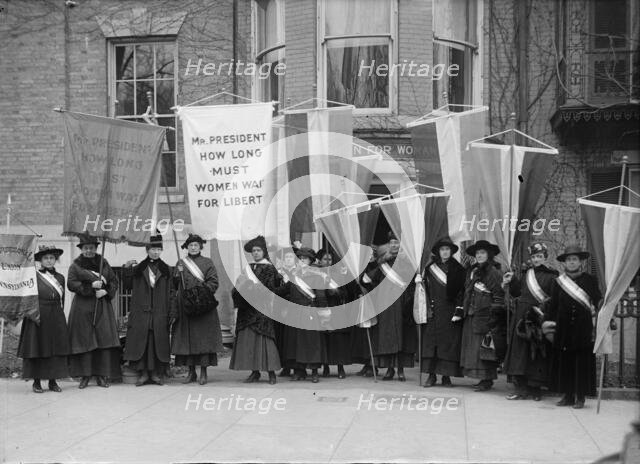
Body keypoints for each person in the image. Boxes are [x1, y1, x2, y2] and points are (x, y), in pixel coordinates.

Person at [546, 244, 601, 409]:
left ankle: (580, 397)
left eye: (574, 259)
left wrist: (605, 312)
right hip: (563, 327)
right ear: (564, 263)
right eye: (568, 260)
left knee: (581, 363)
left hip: (582, 328)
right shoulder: (559, 282)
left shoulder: (590, 280)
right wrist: (548, 323)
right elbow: (553, 305)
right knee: (565, 362)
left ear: (580, 262)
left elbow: (598, 300)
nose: (571, 262)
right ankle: (567, 395)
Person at [503, 242, 558, 401]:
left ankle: (536, 390)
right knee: (519, 353)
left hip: (539, 317)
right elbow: (517, 293)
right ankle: (520, 389)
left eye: (539, 256)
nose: (536, 260)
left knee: (537, 353)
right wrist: (511, 281)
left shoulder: (553, 276)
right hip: (521, 317)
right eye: (534, 257)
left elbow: (554, 300)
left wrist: (544, 313)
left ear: (545, 257)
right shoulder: (527, 274)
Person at [67, 232, 121, 389]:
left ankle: (101, 375)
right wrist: (90, 287)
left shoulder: (103, 263)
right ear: (81, 249)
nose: (88, 251)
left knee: (102, 341)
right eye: (85, 248)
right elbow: (71, 284)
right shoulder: (75, 266)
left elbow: (113, 281)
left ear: (96, 248)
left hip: (102, 306)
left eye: (91, 248)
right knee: (85, 341)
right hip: (83, 307)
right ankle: (85, 375)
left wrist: (106, 291)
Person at [122, 234, 174, 386]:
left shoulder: (167, 270)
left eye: (159, 249)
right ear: (147, 249)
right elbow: (127, 285)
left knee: (156, 344)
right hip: (141, 314)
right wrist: (126, 269)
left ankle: (156, 374)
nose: (156, 252)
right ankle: (144, 374)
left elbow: (172, 292)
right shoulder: (138, 269)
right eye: (153, 249)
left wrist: (171, 312)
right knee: (143, 344)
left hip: (159, 313)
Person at [171, 233, 224, 385]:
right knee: (188, 340)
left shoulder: (208, 263)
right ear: (186, 247)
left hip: (202, 306)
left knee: (203, 340)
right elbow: (175, 285)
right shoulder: (181, 263)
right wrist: (177, 274)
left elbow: (213, 282)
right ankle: (191, 372)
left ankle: (204, 373)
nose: (193, 248)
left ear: (200, 247)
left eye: (196, 245)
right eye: (190, 245)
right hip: (185, 307)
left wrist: (197, 295)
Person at [230, 236, 283, 384]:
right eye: (253, 251)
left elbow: (269, 289)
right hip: (247, 311)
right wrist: (241, 289)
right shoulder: (247, 268)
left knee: (265, 343)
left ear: (264, 252)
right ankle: (255, 372)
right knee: (250, 342)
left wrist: (249, 287)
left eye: (258, 250)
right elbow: (237, 287)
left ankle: (271, 373)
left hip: (262, 310)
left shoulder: (269, 268)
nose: (255, 253)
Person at [18, 245, 70, 393]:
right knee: (39, 347)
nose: (49, 260)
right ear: (40, 260)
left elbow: (62, 299)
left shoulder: (60, 277)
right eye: (45, 258)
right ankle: (36, 382)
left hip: (56, 315)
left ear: (56, 260)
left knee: (55, 348)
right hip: (38, 314)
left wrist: (60, 315)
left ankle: (53, 382)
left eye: (51, 258)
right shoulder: (33, 276)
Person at [365, 240, 417, 381]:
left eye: (397, 243)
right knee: (388, 338)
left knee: (402, 338)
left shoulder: (408, 264)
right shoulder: (383, 264)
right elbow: (368, 280)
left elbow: (412, 285)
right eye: (392, 242)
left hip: (402, 305)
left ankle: (400, 370)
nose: (394, 245)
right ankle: (390, 369)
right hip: (386, 305)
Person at [460, 240, 505, 391]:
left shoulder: (493, 272)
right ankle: (482, 378)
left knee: (485, 349)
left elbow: (499, 296)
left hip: (486, 315)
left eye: (482, 253)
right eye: (477, 253)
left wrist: (493, 316)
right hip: (472, 314)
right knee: (475, 349)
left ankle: (487, 380)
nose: (479, 255)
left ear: (489, 255)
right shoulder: (472, 271)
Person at [421, 237, 466, 388]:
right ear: (438, 252)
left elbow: (462, 292)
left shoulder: (459, 269)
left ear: (451, 252)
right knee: (431, 344)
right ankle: (431, 376)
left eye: (447, 249)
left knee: (448, 345)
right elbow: (425, 291)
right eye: (442, 249)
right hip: (433, 310)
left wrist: (459, 310)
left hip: (449, 311)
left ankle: (446, 377)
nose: (445, 252)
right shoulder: (429, 268)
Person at [281, 247, 328, 383]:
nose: (301, 261)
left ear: (310, 260)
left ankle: (314, 372)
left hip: (310, 312)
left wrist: (323, 314)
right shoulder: (293, 276)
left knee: (311, 343)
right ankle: (298, 370)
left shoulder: (316, 275)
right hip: (294, 313)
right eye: (299, 259)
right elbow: (283, 291)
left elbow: (320, 296)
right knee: (296, 343)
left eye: (305, 259)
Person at [316, 249, 352, 379]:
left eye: (330, 259)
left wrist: (337, 292)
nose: (328, 262)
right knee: (325, 339)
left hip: (337, 310)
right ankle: (325, 367)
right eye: (325, 259)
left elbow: (346, 293)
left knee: (339, 341)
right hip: (323, 309)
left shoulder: (338, 275)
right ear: (319, 260)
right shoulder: (317, 274)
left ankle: (340, 367)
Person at [274, 247, 298, 377]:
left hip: (295, 308)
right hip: (280, 309)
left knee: (293, 338)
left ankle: (296, 366)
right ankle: (286, 366)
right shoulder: (278, 273)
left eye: (290, 257)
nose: (288, 259)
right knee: (282, 337)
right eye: (286, 257)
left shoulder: (299, 272)